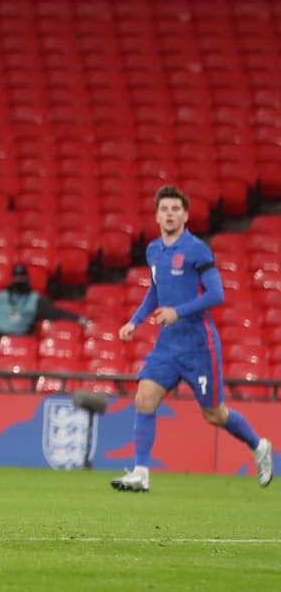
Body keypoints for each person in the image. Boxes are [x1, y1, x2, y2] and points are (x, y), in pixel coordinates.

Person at [111, 185, 273, 492]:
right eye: (164, 209)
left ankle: (258, 445)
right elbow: (156, 291)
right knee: (144, 397)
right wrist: (134, 321)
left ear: (185, 215)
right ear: (157, 215)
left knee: (214, 414)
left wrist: (178, 312)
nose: (170, 214)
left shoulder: (197, 249)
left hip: (200, 347)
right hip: (168, 346)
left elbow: (216, 294)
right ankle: (141, 472)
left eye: (175, 209)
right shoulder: (154, 250)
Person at [0, 263, 88, 337]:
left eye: (21, 276)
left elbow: (55, 313)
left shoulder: (35, 299)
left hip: (17, 341)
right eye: (16, 276)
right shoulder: (1, 296)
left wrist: (78, 318)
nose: (19, 279)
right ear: (12, 278)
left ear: (26, 278)